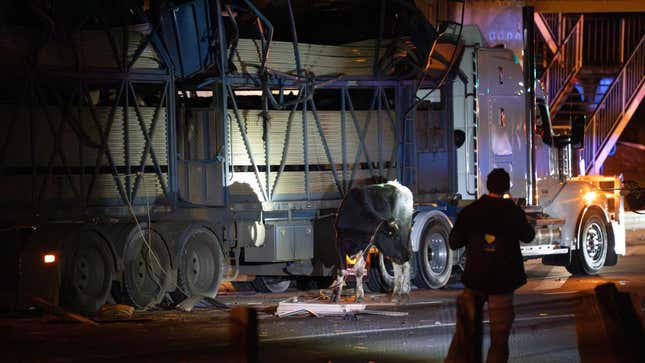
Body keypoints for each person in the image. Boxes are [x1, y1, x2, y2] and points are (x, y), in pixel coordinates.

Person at [445, 168, 535, 363]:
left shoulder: (471, 211)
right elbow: (528, 236)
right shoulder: (513, 211)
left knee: (465, 336)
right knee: (499, 341)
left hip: (474, 281)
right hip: (502, 284)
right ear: (507, 186)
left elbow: (454, 242)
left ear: (487, 185)